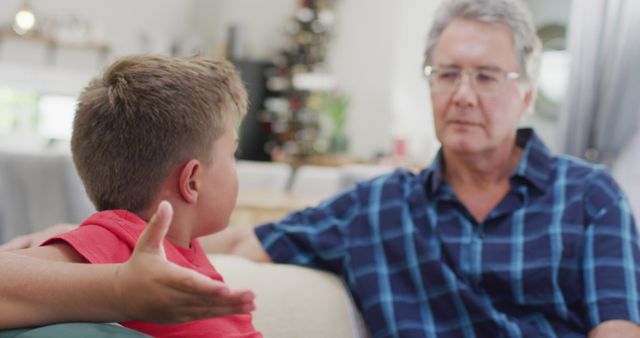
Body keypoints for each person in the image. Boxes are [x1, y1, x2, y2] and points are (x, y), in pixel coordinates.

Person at [1, 0, 639, 336]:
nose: (463, 94)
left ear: (527, 92)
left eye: (486, 75)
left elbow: (618, 327)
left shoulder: (591, 197)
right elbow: (238, 240)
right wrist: (87, 239)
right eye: (446, 73)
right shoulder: (379, 205)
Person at [0, 55, 261, 337]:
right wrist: (119, 287)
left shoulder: (179, 243)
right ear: (192, 181)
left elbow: (245, 241)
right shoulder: (120, 241)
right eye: (233, 155)